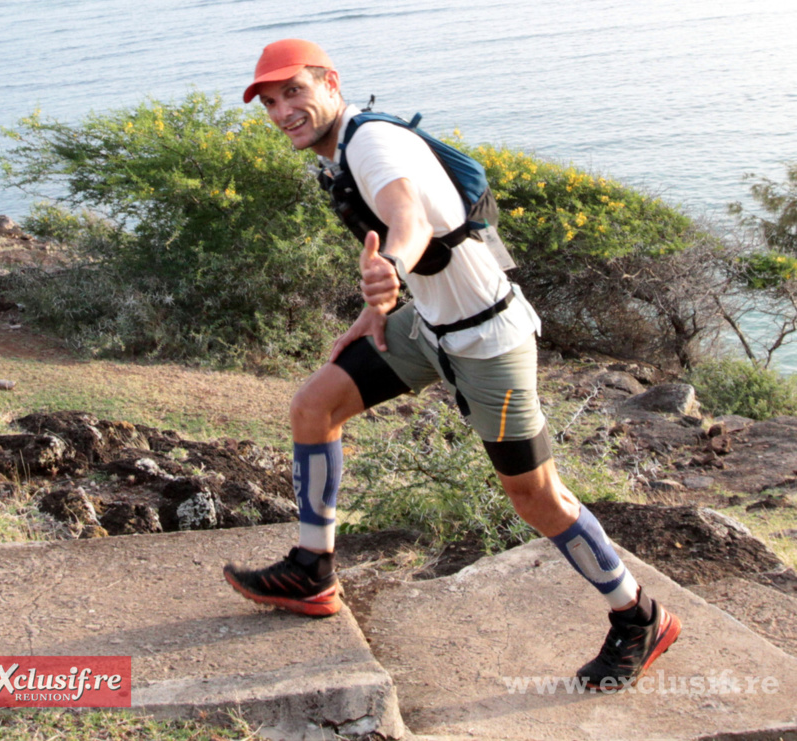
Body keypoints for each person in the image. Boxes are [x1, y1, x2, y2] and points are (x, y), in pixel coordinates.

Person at [223, 38, 681, 690]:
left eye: (293, 91)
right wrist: (380, 309)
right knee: (314, 406)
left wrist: (390, 268)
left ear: (330, 82)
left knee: (536, 497)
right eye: (269, 102)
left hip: (488, 342)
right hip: (426, 326)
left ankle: (639, 616)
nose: (282, 111)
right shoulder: (344, 149)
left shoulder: (371, 144)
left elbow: (407, 220)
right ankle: (311, 570)